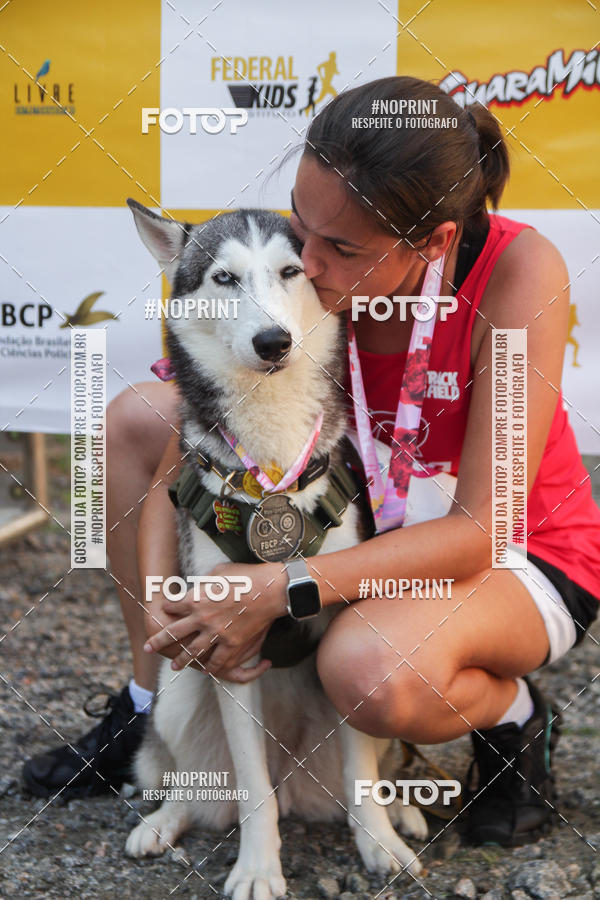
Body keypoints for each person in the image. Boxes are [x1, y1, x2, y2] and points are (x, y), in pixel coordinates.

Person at [23, 76, 600, 848]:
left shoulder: (518, 268)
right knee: (131, 419)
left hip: (513, 550)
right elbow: (169, 464)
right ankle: (148, 704)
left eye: (342, 248)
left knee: (367, 675)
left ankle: (515, 721)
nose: (307, 261)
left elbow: (480, 527)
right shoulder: (301, 271)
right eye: (301, 220)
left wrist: (278, 587)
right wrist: (175, 613)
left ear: (431, 244)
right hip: (376, 530)